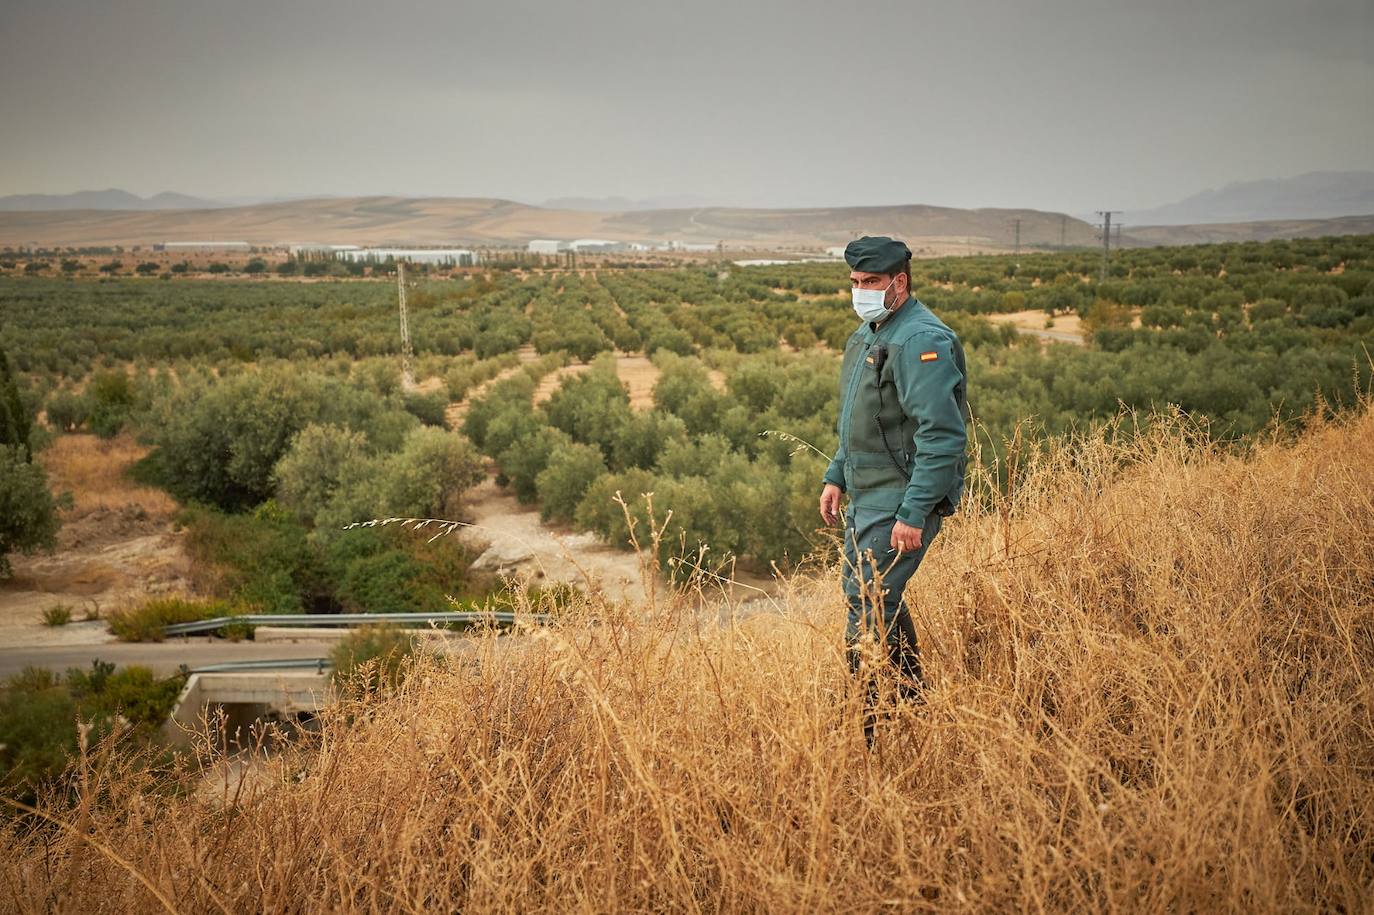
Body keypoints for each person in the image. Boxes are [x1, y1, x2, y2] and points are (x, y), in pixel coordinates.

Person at [818, 236, 969, 743]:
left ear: (899, 282)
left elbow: (941, 434)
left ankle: (862, 727)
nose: (859, 292)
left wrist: (915, 510)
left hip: (900, 498)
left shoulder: (921, 340)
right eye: (855, 283)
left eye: (870, 283)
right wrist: (837, 474)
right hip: (868, 492)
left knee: (866, 599)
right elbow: (857, 419)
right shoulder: (870, 333)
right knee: (878, 595)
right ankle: (912, 704)